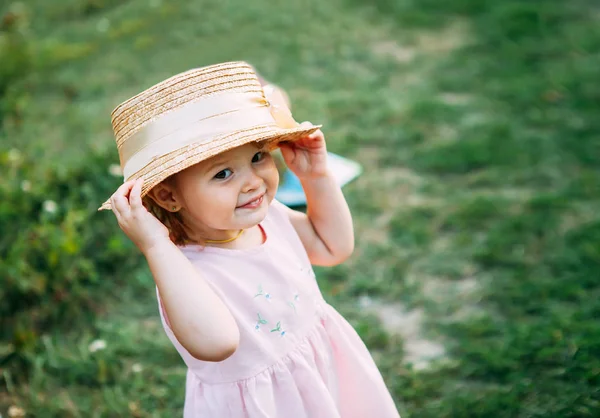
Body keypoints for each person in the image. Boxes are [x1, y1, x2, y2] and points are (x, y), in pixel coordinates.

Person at [100, 61, 399, 418]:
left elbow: (332, 247)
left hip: (322, 373)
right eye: (223, 173)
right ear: (167, 197)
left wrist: (317, 177)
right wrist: (155, 245)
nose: (253, 181)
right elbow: (217, 342)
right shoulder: (183, 272)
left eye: (258, 156)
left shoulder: (271, 217)